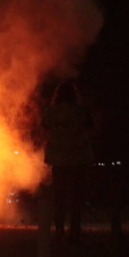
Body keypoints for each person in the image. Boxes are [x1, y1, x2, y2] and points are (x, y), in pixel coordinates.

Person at [42, 81, 94, 244]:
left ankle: (59, 230)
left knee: (60, 196)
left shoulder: (51, 111)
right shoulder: (81, 111)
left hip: (59, 158)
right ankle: (75, 231)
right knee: (76, 196)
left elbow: (44, 127)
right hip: (78, 156)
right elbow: (90, 126)